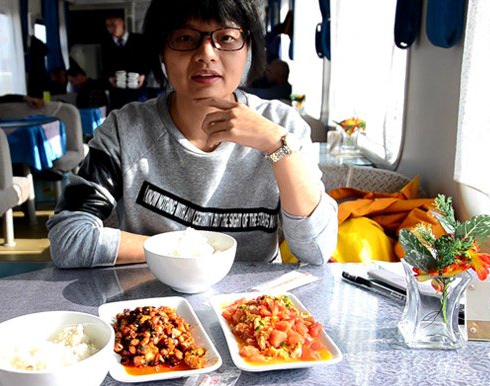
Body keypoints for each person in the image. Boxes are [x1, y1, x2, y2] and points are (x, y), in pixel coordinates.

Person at [47, 0, 337, 268]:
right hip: (152, 309)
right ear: (162, 51)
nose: (206, 54)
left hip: (253, 313)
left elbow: (316, 250)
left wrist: (276, 146)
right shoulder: (124, 131)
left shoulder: (282, 125)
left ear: (248, 48)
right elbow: (69, 238)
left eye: (226, 38)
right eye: (185, 38)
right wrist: (187, 252)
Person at [100, 12, 149, 110]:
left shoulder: (138, 40)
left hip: (137, 87)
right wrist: (110, 78)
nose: (111, 29)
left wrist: (143, 75)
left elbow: (148, 61)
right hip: (117, 90)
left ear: (122, 22)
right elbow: (105, 66)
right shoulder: (106, 44)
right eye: (108, 26)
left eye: (114, 25)